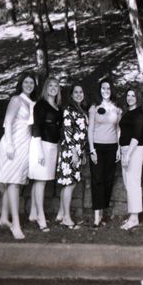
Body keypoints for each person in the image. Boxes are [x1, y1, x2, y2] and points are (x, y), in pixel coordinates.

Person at [0, 72, 37, 240]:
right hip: (13, 144)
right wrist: (9, 144)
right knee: (14, 183)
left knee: (14, 181)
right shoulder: (16, 100)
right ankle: (15, 224)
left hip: (26, 144)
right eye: (26, 82)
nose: (29, 84)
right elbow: (7, 122)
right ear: (21, 83)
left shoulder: (32, 103)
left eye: (32, 82)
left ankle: (3, 218)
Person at [28, 78, 62, 232]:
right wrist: (39, 150)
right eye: (51, 85)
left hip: (53, 146)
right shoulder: (41, 105)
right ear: (46, 88)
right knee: (40, 182)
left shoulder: (57, 107)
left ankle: (33, 214)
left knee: (41, 182)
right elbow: (36, 127)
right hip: (41, 145)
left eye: (56, 86)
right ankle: (41, 217)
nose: (53, 88)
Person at [88, 78, 122, 227]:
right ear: (99, 90)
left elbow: (118, 129)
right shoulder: (93, 108)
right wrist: (91, 149)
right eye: (103, 88)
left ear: (112, 90)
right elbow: (90, 129)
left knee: (108, 180)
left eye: (108, 88)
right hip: (97, 147)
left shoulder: (117, 109)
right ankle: (97, 216)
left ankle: (103, 212)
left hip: (112, 147)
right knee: (97, 180)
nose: (106, 91)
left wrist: (119, 148)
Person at [55, 84, 87, 229]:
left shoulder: (81, 110)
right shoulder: (69, 110)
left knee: (68, 183)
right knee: (70, 183)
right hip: (70, 151)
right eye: (76, 92)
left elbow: (82, 134)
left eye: (81, 92)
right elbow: (68, 133)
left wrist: (83, 152)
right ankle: (67, 218)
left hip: (78, 151)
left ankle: (61, 214)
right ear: (71, 95)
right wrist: (74, 153)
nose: (79, 94)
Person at [118, 88, 143, 230]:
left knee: (133, 183)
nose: (130, 98)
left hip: (134, 150)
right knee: (128, 183)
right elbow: (122, 132)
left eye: (133, 95)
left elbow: (136, 135)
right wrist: (120, 150)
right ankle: (132, 216)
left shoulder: (139, 113)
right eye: (128, 95)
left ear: (138, 97)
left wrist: (128, 154)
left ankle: (134, 218)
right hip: (125, 149)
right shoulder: (127, 112)